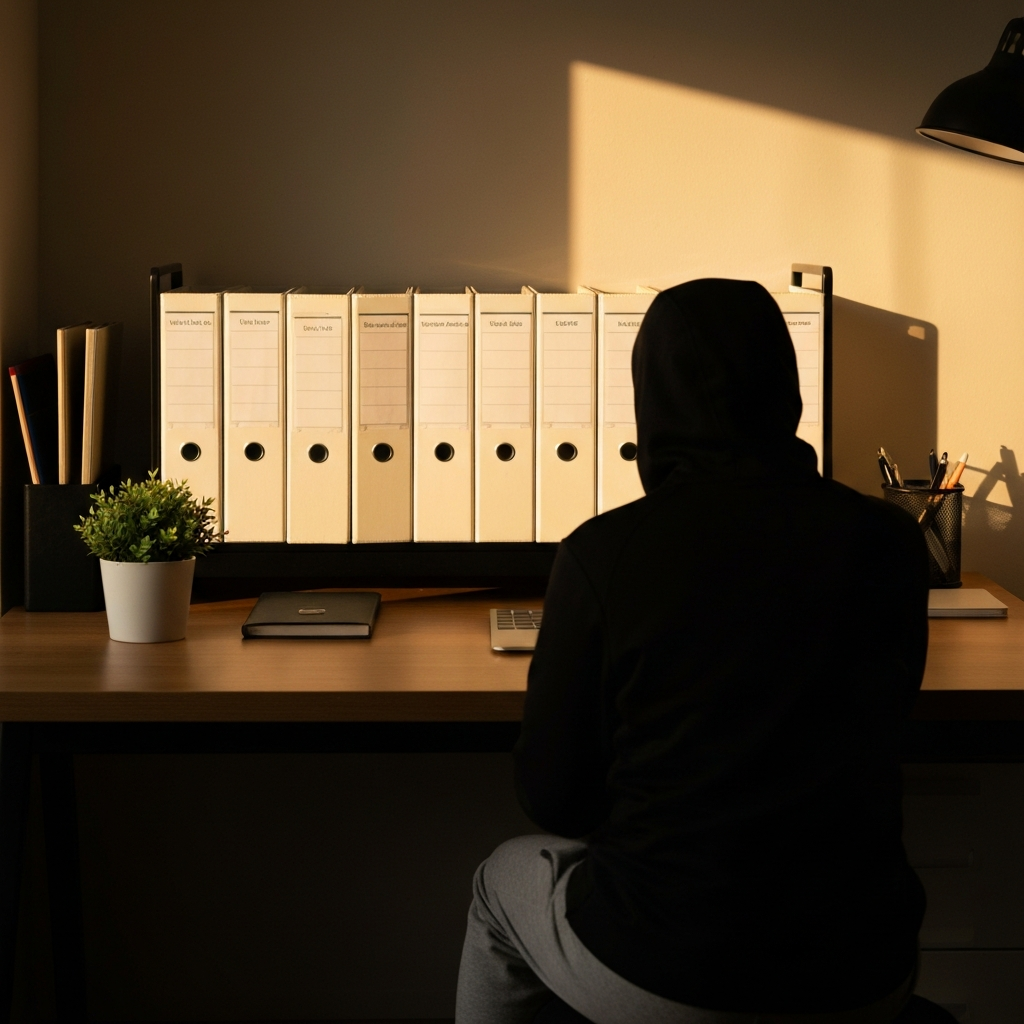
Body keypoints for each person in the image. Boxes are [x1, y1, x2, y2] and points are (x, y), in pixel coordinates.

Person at [454, 279, 929, 1024]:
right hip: (863, 969)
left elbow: (555, 799)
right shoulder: (891, 543)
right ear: (786, 387)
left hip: (673, 968)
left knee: (503, 880)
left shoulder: (603, 555)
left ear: (651, 401)